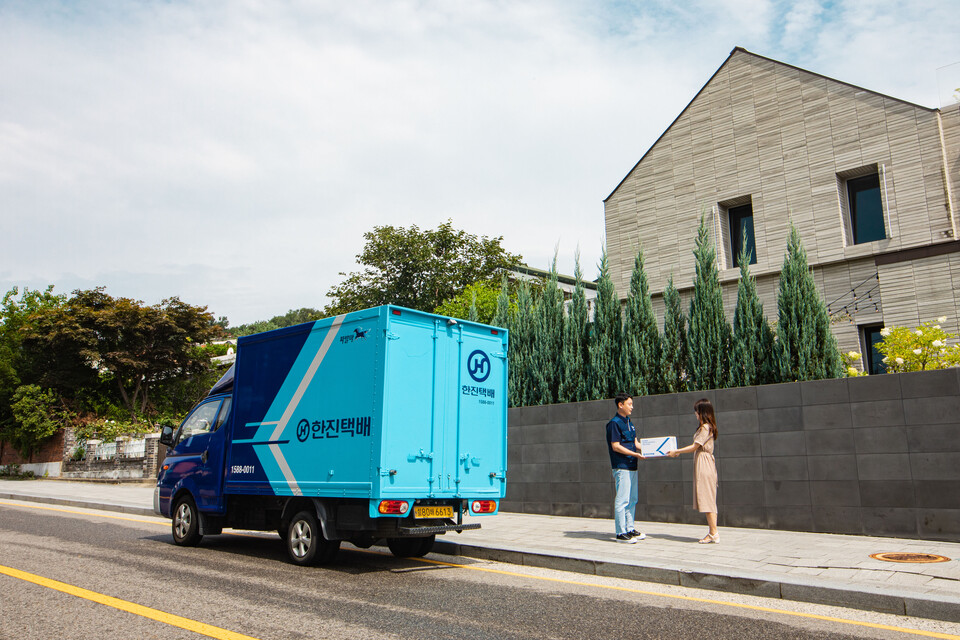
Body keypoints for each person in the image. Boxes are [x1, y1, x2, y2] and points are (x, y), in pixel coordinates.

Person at [667, 398, 719, 544]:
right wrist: (677, 452)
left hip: (704, 463)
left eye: (697, 411)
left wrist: (676, 451)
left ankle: (713, 533)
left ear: (702, 412)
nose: (695, 414)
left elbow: (694, 446)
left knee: (708, 498)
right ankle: (713, 532)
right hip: (704, 462)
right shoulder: (707, 427)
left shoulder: (705, 428)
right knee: (709, 497)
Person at [606, 392, 646, 543]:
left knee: (632, 499)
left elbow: (636, 444)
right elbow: (615, 447)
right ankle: (620, 533)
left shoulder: (629, 422)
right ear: (620, 405)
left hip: (632, 466)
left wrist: (658, 450)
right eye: (629, 404)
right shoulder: (614, 424)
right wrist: (636, 455)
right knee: (622, 500)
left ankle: (630, 528)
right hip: (621, 466)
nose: (632, 407)